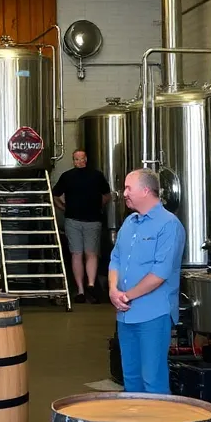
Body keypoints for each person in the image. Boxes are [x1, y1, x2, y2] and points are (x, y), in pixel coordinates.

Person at [107, 169, 184, 393]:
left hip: (153, 315)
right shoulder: (129, 223)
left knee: (153, 380)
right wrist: (113, 290)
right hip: (125, 314)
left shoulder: (169, 225)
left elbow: (160, 273)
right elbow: (116, 259)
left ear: (146, 190)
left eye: (129, 188)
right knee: (130, 378)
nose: (124, 193)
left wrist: (126, 296)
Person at [52, 149, 112, 302]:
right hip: (78, 220)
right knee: (80, 254)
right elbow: (55, 194)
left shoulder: (94, 175)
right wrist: (63, 208)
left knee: (86, 254)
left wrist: (63, 207)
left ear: (86, 159)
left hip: (87, 220)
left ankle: (87, 287)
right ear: (74, 160)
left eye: (82, 158)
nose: (80, 161)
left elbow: (107, 194)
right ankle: (83, 289)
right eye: (77, 158)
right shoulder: (70, 176)